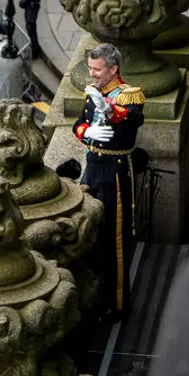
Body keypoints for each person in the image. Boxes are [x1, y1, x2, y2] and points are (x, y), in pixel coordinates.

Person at [74, 44, 146, 322]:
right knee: (88, 231)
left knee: (113, 239)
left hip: (114, 172)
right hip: (92, 167)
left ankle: (117, 303)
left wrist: (110, 110)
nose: (91, 74)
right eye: (90, 69)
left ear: (113, 69)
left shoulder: (129, 95)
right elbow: (79, 125)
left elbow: (133, 121)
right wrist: (86, 131)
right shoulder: (93, 93)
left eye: (97, 70)